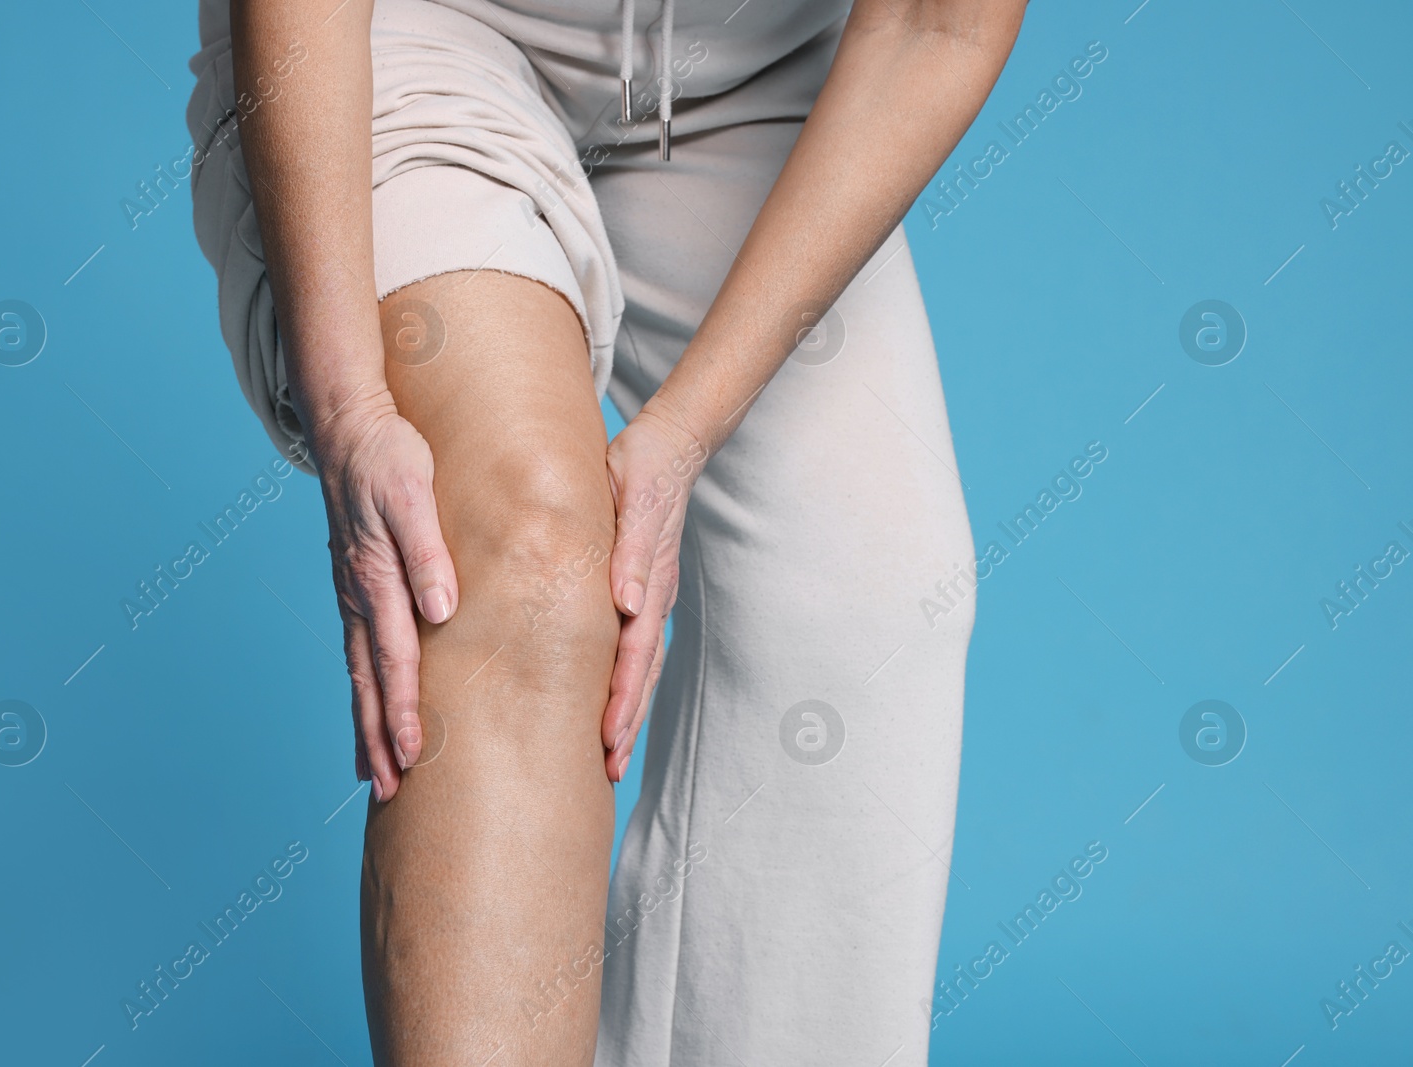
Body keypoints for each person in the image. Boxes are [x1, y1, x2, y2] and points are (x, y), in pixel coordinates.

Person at [186, 0, 1024, 1062]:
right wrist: (352, 407)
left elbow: (933, 24)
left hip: (749, 69)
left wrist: (680, 435)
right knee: (525, 556)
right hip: (413, 26)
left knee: (865, 607)